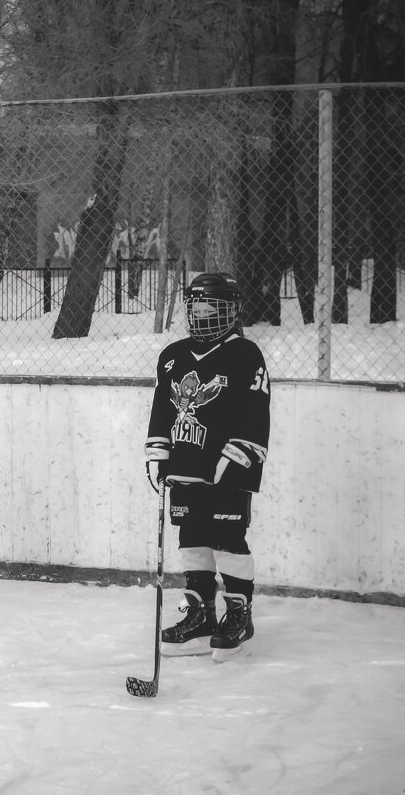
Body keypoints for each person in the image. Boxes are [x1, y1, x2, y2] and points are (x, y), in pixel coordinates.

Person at [145, 272, 270, 662]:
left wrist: (238, 457)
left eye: (210, 309)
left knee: (228, 539)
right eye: (195, 308)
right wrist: (157, 452)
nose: (201, 316)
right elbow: (162, 410)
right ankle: (201, 617)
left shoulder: (245, 353)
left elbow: (256, 415)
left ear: (230, 312)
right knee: (193, 536)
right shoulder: (173, 355)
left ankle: (239, 616)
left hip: (225, 469)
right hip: (185, 465)